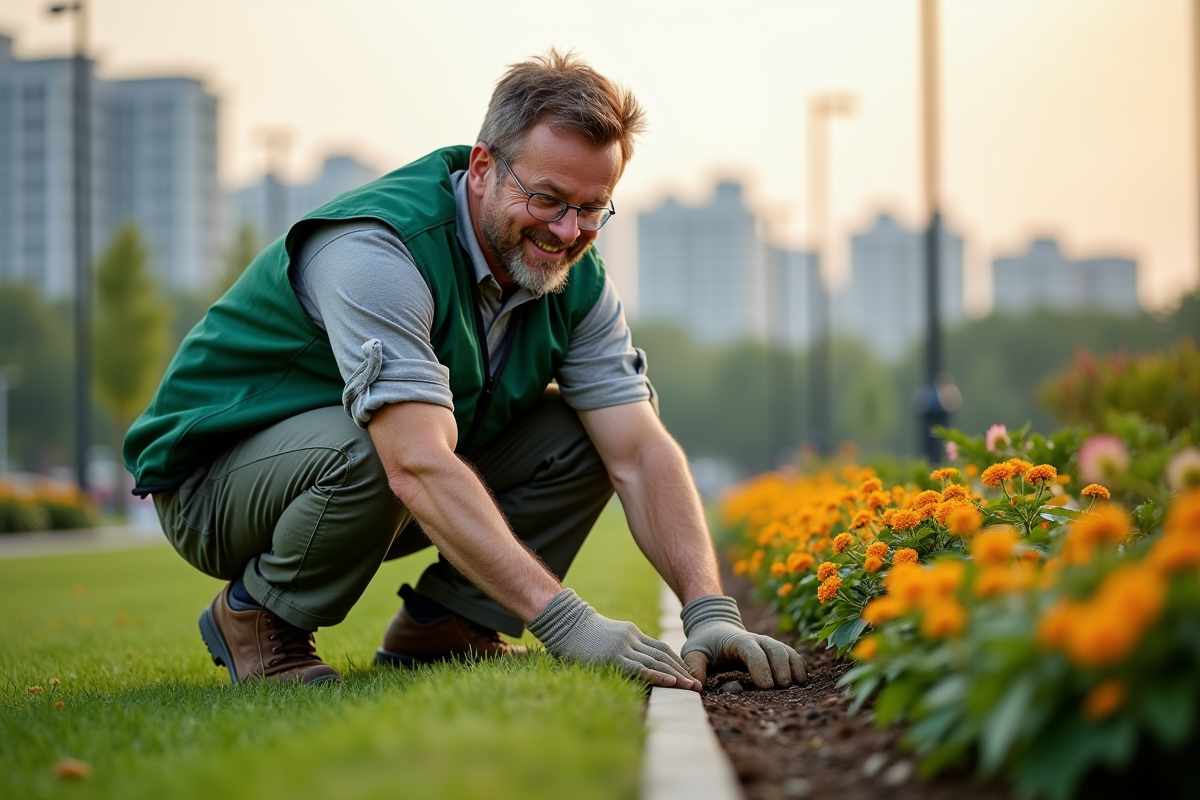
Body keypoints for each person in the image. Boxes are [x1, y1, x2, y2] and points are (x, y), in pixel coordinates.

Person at [124, 49, 806, 693]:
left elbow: (640, 450)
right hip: (214, 489)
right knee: (385, 435)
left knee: (583, 432)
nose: (569, 231)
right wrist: (567, 622)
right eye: (548, 199)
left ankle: (447, 625)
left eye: (592, 208)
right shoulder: (376, 250)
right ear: (482, 167)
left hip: (360, 474)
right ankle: (258, 616)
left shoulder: (577, 278)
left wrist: (709, 611)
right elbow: (414, 460)